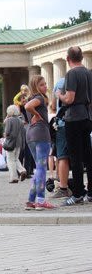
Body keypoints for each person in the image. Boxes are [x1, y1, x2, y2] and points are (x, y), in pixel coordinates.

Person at [57, 46, 92, 206]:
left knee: (75, 157)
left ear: (67, 58)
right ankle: (91, 192)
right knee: (88, 156)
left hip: (74, 118)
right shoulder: (88, 73)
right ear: (82, 57)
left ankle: (77, 193)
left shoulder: (72, 73)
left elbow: (69, 98)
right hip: (87, 116)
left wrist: (60, 95)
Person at [24, 75, 55, 210]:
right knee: (42, 168)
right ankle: (41, 200)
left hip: (30, 135)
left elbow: (28, 105)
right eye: (42, 84)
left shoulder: (32, 98)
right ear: (36, 87)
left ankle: (31, 200)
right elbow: (28, 106)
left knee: (38, 169)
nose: (45, 87)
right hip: (41, 134)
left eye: (45, 84)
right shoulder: (39, 98)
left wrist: (34, 113)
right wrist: (37, 114)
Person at [50, 77, 71, 198]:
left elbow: (53, 105)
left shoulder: (60, 82)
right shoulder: (85, 78)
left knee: (62, 156)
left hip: (62, 123)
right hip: (81, 120)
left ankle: (63, 187)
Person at [3, 104, 27, 183]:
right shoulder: (20, 121)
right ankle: (22, 170)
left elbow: (7, 132)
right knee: (16, 159)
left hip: (11, 142)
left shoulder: (9, 120)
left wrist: (5, 135)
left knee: (10, 160)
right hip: (18, 143)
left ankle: (14, 177)